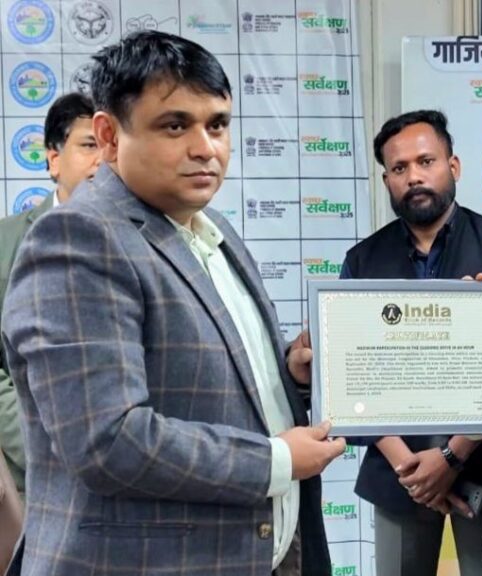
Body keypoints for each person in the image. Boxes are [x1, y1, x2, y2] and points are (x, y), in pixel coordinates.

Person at [0, 31, 346, 576]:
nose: (205, 147)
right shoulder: (78, 239)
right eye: (175, 126)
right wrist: (277, 460)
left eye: (218, 125)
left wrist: (289, 373)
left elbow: (203, 376)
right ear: (109, 136)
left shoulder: (213, 229)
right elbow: (108, 439)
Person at [340, 109, 482, 576]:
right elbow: (352, 374)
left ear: (453, 166)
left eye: (426, 161)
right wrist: (410, 469)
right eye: (399, 168)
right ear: (387, 180)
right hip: (397, 471)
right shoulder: (362, 261)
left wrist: (451, 457)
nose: (414, 177)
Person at [0, 92, 101, 503]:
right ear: (54, 159)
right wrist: (39, 447)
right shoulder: (6, 241)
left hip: (131, 484)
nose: (103, 160)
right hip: (33, 484)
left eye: (111, 146)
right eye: (89, 145)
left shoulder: (149, 242)